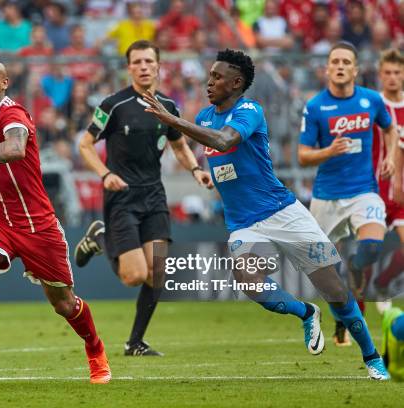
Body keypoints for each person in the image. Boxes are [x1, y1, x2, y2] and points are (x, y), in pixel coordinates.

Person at [143, 48, 390, 380]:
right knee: (250, 281)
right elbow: (214, 151)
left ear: (236, 82)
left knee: (337, 292)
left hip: (284, 213)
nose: (209, 81)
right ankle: (306, 313)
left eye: (217, 77)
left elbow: (223, 140)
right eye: (210, 75)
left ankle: (371, 357)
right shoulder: (203, 117)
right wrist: (201, 172)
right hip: (245, 223)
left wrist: (173, 120)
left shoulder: (250, 110)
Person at [0, 53, 110, 383]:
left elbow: (14, 148)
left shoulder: (13, 114)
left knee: (63, 304)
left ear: (3, 82)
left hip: (35, 223)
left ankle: (95, 348)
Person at [74, 40, 212, 356]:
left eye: (149, 61)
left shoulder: (168, 107)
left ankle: (135, 342)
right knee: (134, 276)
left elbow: (178, 145)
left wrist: (195, 170)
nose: (144, 67)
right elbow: (84, 144)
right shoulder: (113, 105)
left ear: (159, 66)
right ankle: (100, 235)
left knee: (158, 270)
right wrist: (105, 175)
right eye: (137, 62)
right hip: (121, 196)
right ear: (129, 68)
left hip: (154, 195)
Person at [297, 41, 399, 347]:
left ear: (355, 69)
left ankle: (357, 266)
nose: (340, 66)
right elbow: (303, 155)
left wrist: (390, 157)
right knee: (326, 272)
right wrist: (329, 150)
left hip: (363, 192)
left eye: (346, 62)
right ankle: (343, 318)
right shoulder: (315, 107)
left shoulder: (371, 101)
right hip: (326, 197)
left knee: (369, 248)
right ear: (327, 68)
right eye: (335, 62)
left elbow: (390, 128)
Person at [372, 48, 404, 311]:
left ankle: (382, 284)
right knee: (369, 250)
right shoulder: (374, 106)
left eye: (397, 72)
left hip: (402, 192)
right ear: (380, 76)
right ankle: (351, 316)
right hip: (375, 190)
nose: (393, 77)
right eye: (388, 73)